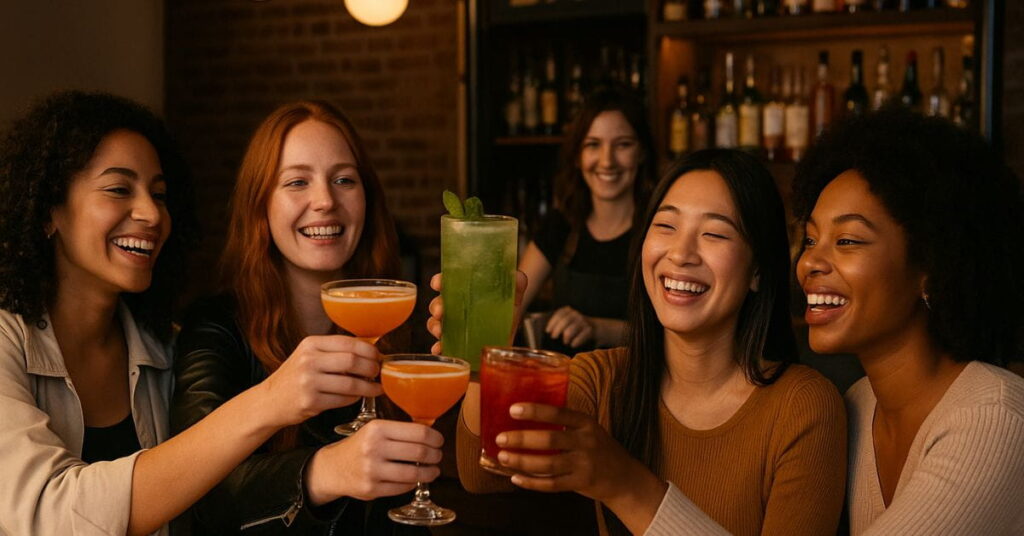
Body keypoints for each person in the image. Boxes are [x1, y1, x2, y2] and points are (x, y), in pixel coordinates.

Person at [0, 91, 375, 535]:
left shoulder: (165, 346)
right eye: (120, 189)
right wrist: (272, 401)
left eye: (159, 195)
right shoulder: (8, 341)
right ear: (48, 212)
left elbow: (221, 506)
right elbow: (50, 515)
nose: (151, 213)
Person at [432, 149, 847, 535]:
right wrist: (483, 344)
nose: (681, 253)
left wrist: (626, 485)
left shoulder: (804, 409)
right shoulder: (602, 380)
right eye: (666, 226)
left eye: (714, 234)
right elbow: (483, 471)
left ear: (758, 270)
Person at [171, 100, 441, 534]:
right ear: (260, 207)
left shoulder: (401, 325)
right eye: (297, 181)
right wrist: (325, 471)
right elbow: (199, 492)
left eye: (344, 180)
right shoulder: (216, 328)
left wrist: (484, 331)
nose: (325, 201)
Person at [794, 109, 1024, 534]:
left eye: (847, 240)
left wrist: (632, 489)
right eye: (810, 239)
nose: (810, 261)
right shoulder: (854, 405)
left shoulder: (995, 418)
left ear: (932, 268)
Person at [517, 85, 656, 353]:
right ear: (578, 157)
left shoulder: (660, 229)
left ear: (641, 153)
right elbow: (511, 305)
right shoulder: (560, 226)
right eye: (593, 145)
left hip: (637, 388)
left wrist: (598, 328)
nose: (607, 161)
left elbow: (676, 336)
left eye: (623, 145)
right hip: (565, 386)